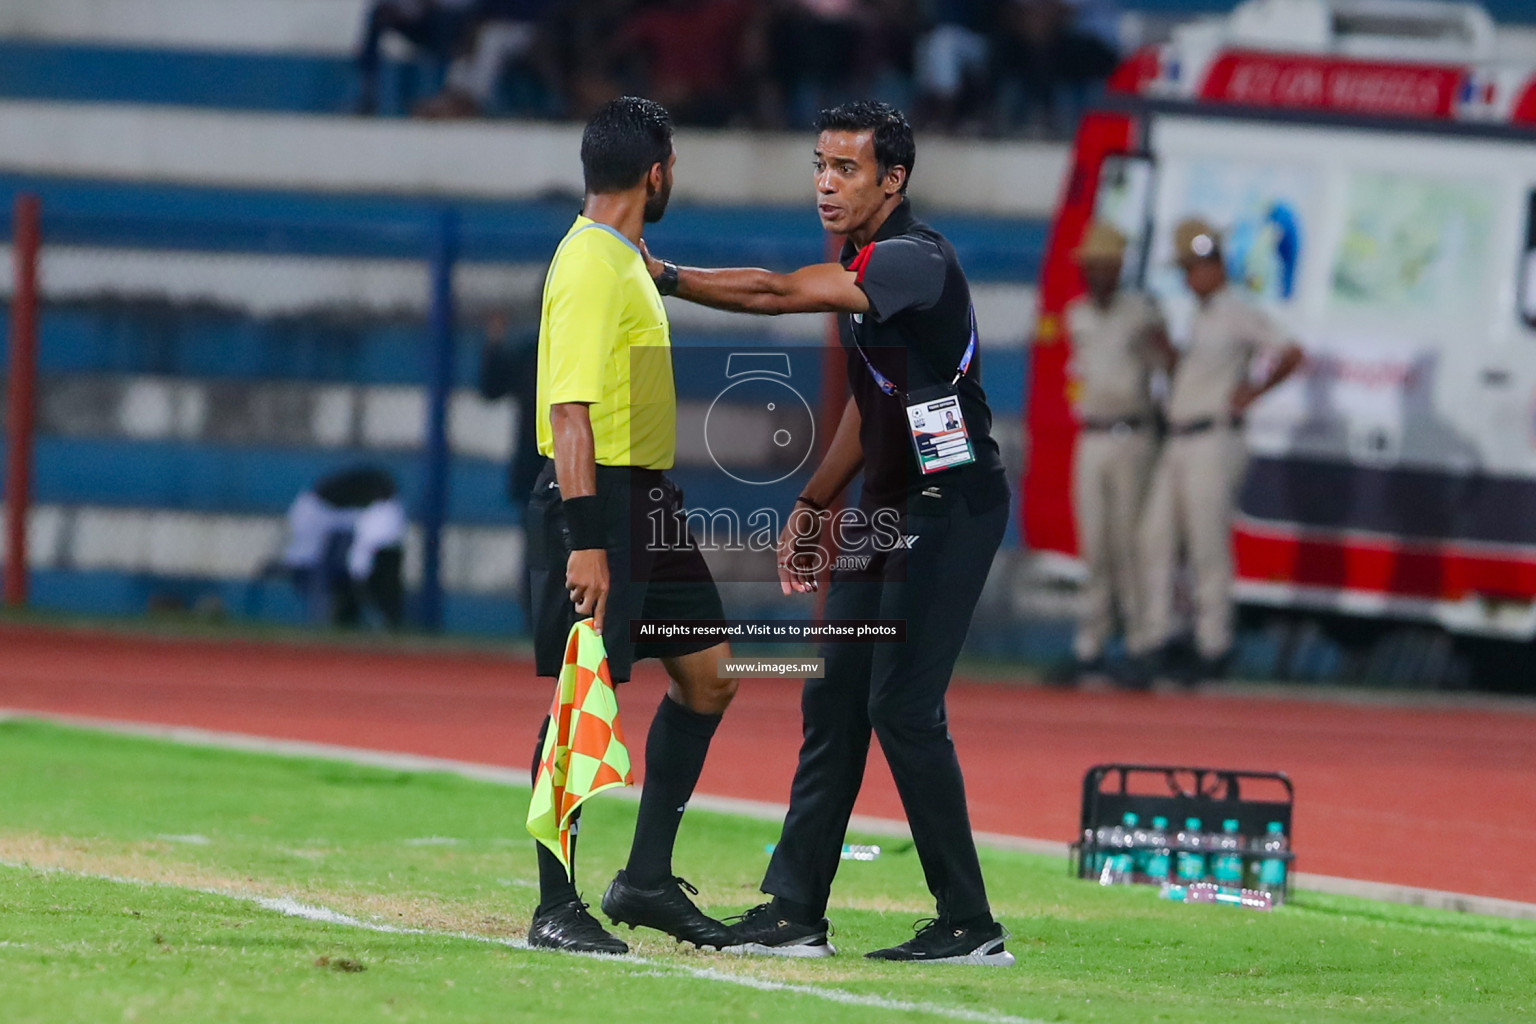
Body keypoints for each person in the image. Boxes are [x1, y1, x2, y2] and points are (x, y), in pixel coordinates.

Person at [644, 100, 1014, 965]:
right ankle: (794, 912)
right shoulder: (865, 267)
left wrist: (662, 276)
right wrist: (813, 506)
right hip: (889, 512)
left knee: (901, 705)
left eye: (845, 169)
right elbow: (870, 403)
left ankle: (970, 924)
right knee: (834, 698)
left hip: (950, 509)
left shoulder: (914, 262)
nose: (824, 183)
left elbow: (774, 293)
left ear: (894, 180)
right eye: (819, 164)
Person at [524, 96, 737, 956]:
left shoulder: (621, 260)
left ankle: (645, 882)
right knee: (584, 698)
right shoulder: (587, 265)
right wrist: (585, 537)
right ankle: (554, 904)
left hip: (648, 502)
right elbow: (567, 411)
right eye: (673, 164)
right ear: (656, 172)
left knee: (710, 677)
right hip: (601, 501)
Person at [1138, 217, 1303, 681]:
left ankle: (1213, 645)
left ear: (1214, 265)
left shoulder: (1235, 310)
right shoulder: (1200, 313)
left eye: (1194, 267)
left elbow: (1290, 351)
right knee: (1157, 539)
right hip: (1180, 437)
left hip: (1214, 437)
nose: (1189, 279)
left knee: (1207, 544)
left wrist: (1252, 391)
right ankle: (1159, 638)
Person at [1060, 220, 1168, 686]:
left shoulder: (1140, 313)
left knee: (1130, 543)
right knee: (1094, 544)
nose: (1095, 274)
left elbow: (1166, 368)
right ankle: (1091, 643)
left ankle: (1143, 643)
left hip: (1132, 433)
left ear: (1118, 267)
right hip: (1092, 433)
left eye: (1103, 266)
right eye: (1090, 266)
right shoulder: (1076, 314)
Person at [277, 465, 406, 629]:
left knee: (370, 566)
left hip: (370, 560)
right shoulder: (313, 508)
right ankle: (342, 613)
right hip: (321, 540)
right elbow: (301, 559)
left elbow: (375, 550)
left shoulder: (385, 512)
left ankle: (384, 619)